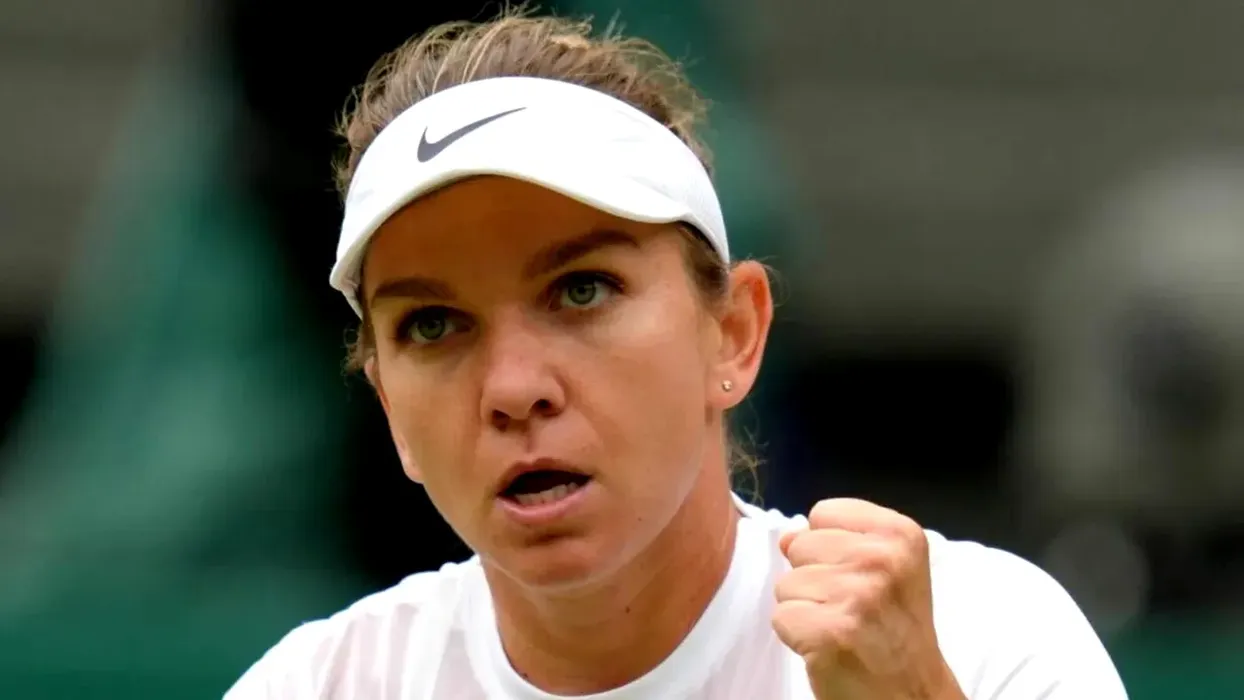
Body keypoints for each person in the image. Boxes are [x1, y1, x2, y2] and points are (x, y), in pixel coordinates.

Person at [224, 8, 1128, 700]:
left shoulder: (984, 643)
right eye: (431, 325)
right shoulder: (313, 687)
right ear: (390, 410)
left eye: (582, 289)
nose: (514, 388)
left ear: (733, 332)